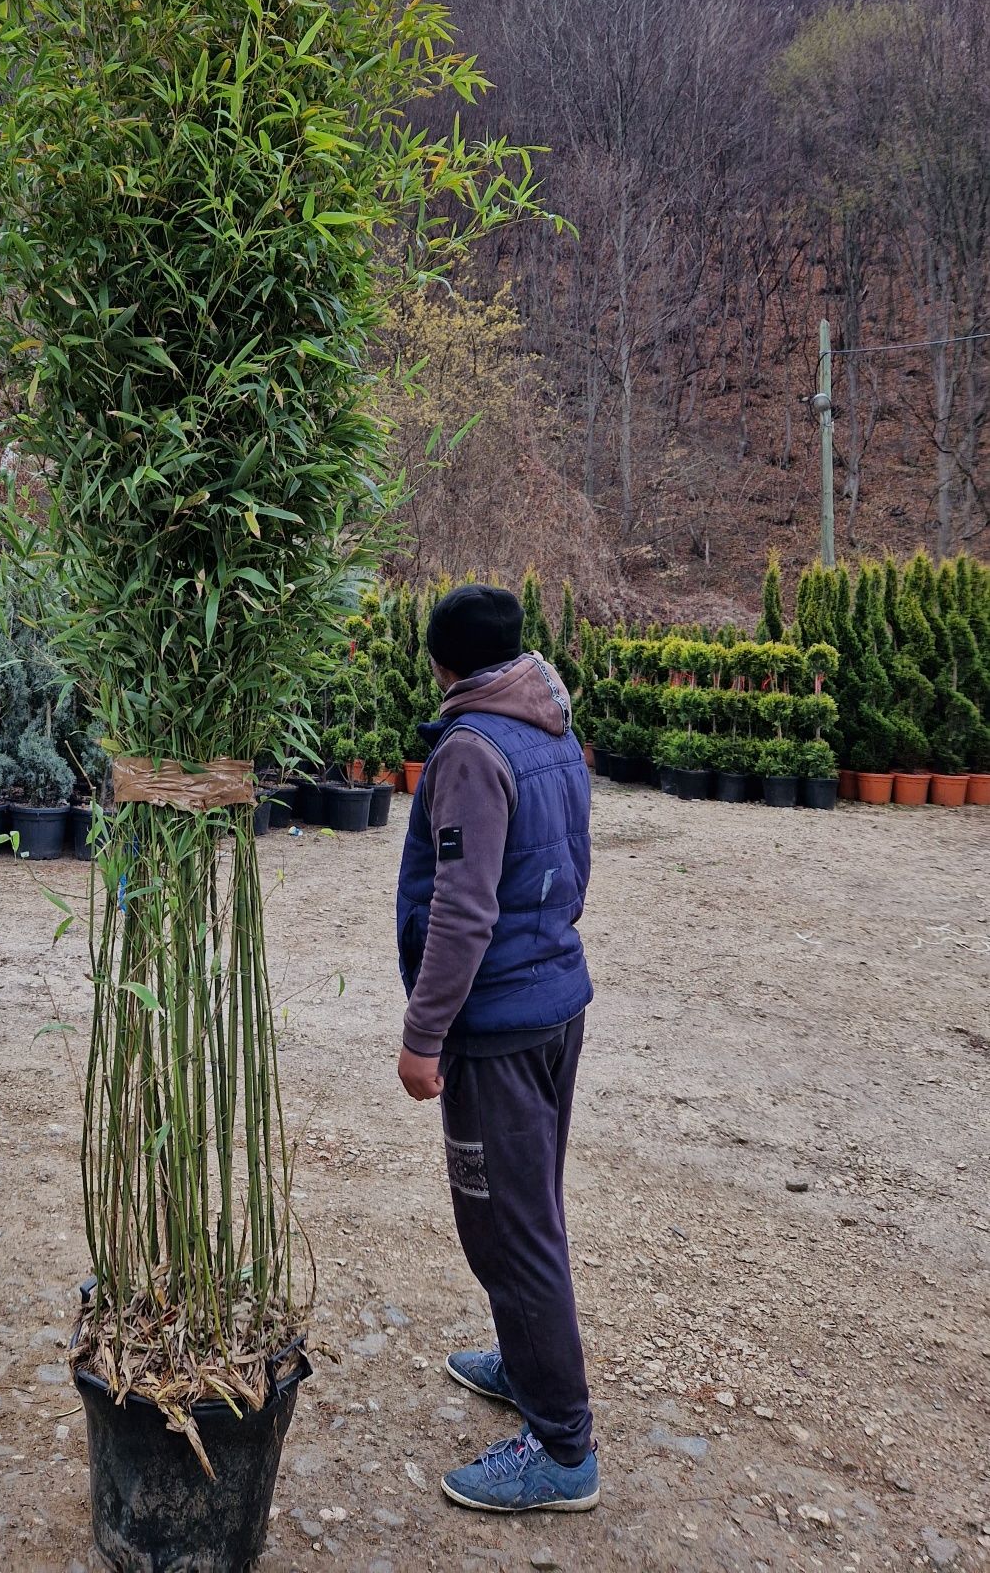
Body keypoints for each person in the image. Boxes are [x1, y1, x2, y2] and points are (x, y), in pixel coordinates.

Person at [394, 581, 598, 1514]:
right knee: (531, 1209)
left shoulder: (473, 749)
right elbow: (573, 870)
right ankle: (526, 1364)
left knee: (512, 1232)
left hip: (501, 1029)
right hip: (555, 1003)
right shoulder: (549, 726)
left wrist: (423, 1035)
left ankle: (562, 1449)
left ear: (442, 661)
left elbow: (462, 910)